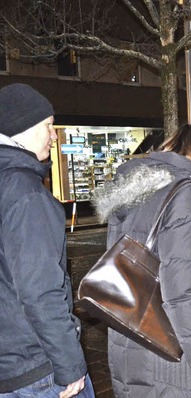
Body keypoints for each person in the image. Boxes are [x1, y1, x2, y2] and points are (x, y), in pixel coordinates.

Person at [92, 124, 191, 397]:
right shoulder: (189, 193)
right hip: (169, 355)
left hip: (128, 339)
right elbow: (186, 294)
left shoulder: (136, 186)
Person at [0, 83, 94, 397]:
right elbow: (41, 291)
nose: (54, 136)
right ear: (23, 129)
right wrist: (70, 365)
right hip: (37, 368)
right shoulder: (26, 194)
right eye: (49, 126)